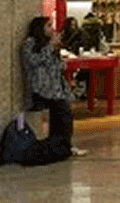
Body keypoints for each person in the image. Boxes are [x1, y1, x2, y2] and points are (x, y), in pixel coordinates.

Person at [20, 17, 86, 158]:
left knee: (63, 118)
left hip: (56, 88)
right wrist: (50, 45)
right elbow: (33, 61)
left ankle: (63, 148)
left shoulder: (47, 45)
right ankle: (61, 148)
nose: (52, 29)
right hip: (42, 89)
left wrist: (57, 51)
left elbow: (59, 66)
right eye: (49, 26)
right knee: (63, 116)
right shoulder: (30, 44)